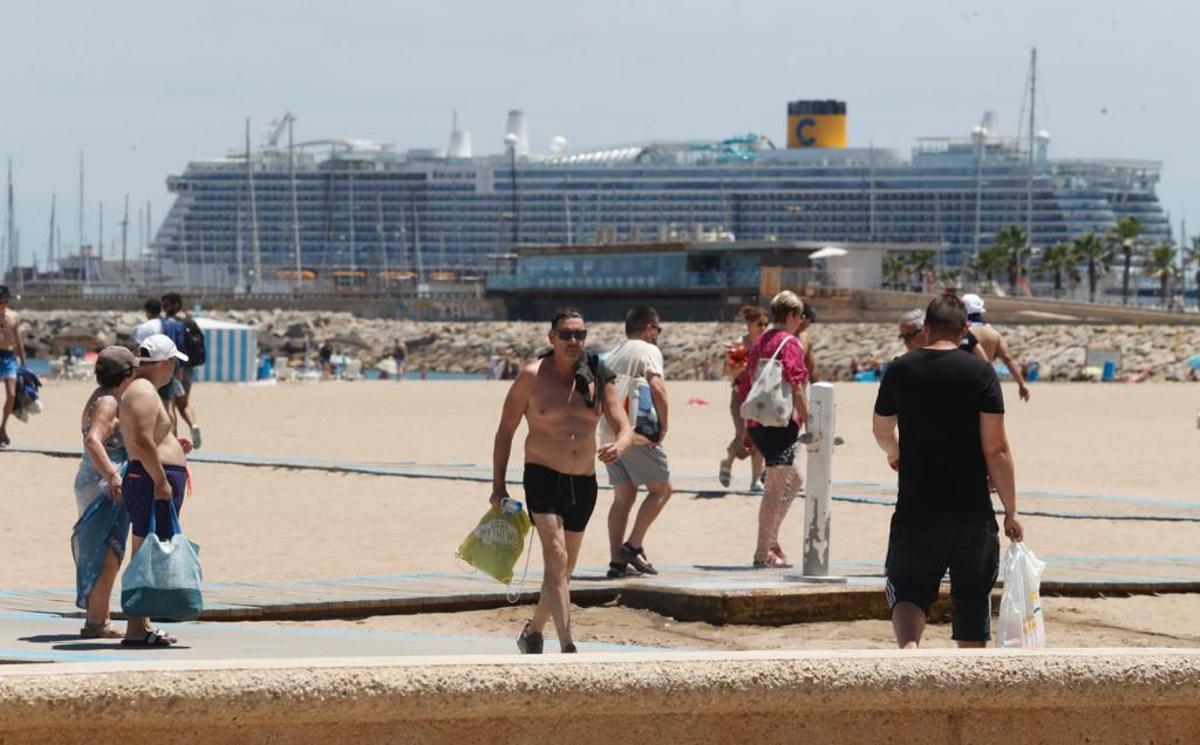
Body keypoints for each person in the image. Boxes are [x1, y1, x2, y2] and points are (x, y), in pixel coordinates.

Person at [872, 294, 1024, 649]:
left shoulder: (901, 369)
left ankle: (910, 652)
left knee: (908, 590)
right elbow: (996, 448)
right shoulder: (981, 373)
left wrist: (895, 452)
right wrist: (1011, 510)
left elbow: (881, 429)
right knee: (972, 596)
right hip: (971, 508)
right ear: (964, 329)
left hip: (917, 505)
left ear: (926, 327)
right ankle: (968, 673)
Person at [490, 308, 633, 654]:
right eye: (566, 334)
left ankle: (533, 632)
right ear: (551, 337)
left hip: (583, 482)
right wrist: (498, 487)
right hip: (542, 475)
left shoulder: (598, 375)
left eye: (579, 335)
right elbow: (505, 431)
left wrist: (621, 444)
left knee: (563, 568)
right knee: (555, 555)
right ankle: (568, 645)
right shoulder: (531, 376)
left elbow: (623, 424)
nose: (573, 341)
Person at [118, 334, 194, 647]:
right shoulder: (143, 391)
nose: (176, 369)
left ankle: (143, 623)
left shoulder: (144, 390)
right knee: (144, 550)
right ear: (164, 363)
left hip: (153, 476)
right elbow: (142, 439)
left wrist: (173, 443)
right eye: (174, 363)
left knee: (151, 549)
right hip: (150, 480)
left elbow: (150, 437)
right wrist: (161, 480)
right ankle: (136, 627)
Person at [738, 291, 810, 568]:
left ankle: (771, 541)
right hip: (780, 423)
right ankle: (762, 552)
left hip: (758, 421)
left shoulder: (761, 341)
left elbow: (747, 383)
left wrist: (746, 429)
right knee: (775, 489)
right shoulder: (790, 343)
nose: (801, 321)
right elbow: (797, 385)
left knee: (795, 479)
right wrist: (810, 421)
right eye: (800, 316)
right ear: (792, 315)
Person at [74, 346, 138, 638]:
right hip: (104, 481)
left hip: (91, 477)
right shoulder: (109, 401)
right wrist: (113, 475)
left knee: (98, 547)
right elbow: (93, 439)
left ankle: (98, 616)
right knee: (109, 550)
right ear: (128, 374)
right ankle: (97, 621)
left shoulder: (99, 395)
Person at [603, 307, 672, 579]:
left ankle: (616, 563)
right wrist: (664, 425)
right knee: (662, 490)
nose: (657, 335)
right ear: (648, 328)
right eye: (657, 329)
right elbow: (657, 388)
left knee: (623, 497)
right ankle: (632, 546)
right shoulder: (647, 349)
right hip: (634, 433)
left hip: (608, 432)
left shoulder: (613, 353)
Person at [719, 305, 768, 490]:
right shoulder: (738, 344)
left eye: (766, 324)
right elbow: (728, 372)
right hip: (740, 395)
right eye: (760, 324)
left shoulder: (767, 344)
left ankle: (755, 480)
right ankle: (727, 463)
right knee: (741, 435)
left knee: (759, 438)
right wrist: (745, 365)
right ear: (749, 324)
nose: (763, 328)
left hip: (760, 397)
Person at [961, 293, 1031, 402]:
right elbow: (1007, 359)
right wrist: (1021, 384)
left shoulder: (959, 332)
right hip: (985, 384)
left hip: (962, 384)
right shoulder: (993, 334)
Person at [161, 293, 202, 447]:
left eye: (166, 304)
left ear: (175, 305)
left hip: (175, 368)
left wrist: (176, 368)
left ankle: (173, 439)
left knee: (170, 405)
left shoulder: (171, 323)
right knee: (184, 404)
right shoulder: (189, 320)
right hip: (188, 368)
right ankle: (193, 425)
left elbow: (175, 346)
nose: (163, 308)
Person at [0, 286, 26, 447]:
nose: (3, 304)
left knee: (11, 395)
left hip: (9, 357)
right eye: (0, 301)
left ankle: (2, 428)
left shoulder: (13, 316)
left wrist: (23, 360)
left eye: (5, 301)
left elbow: (18, 340)